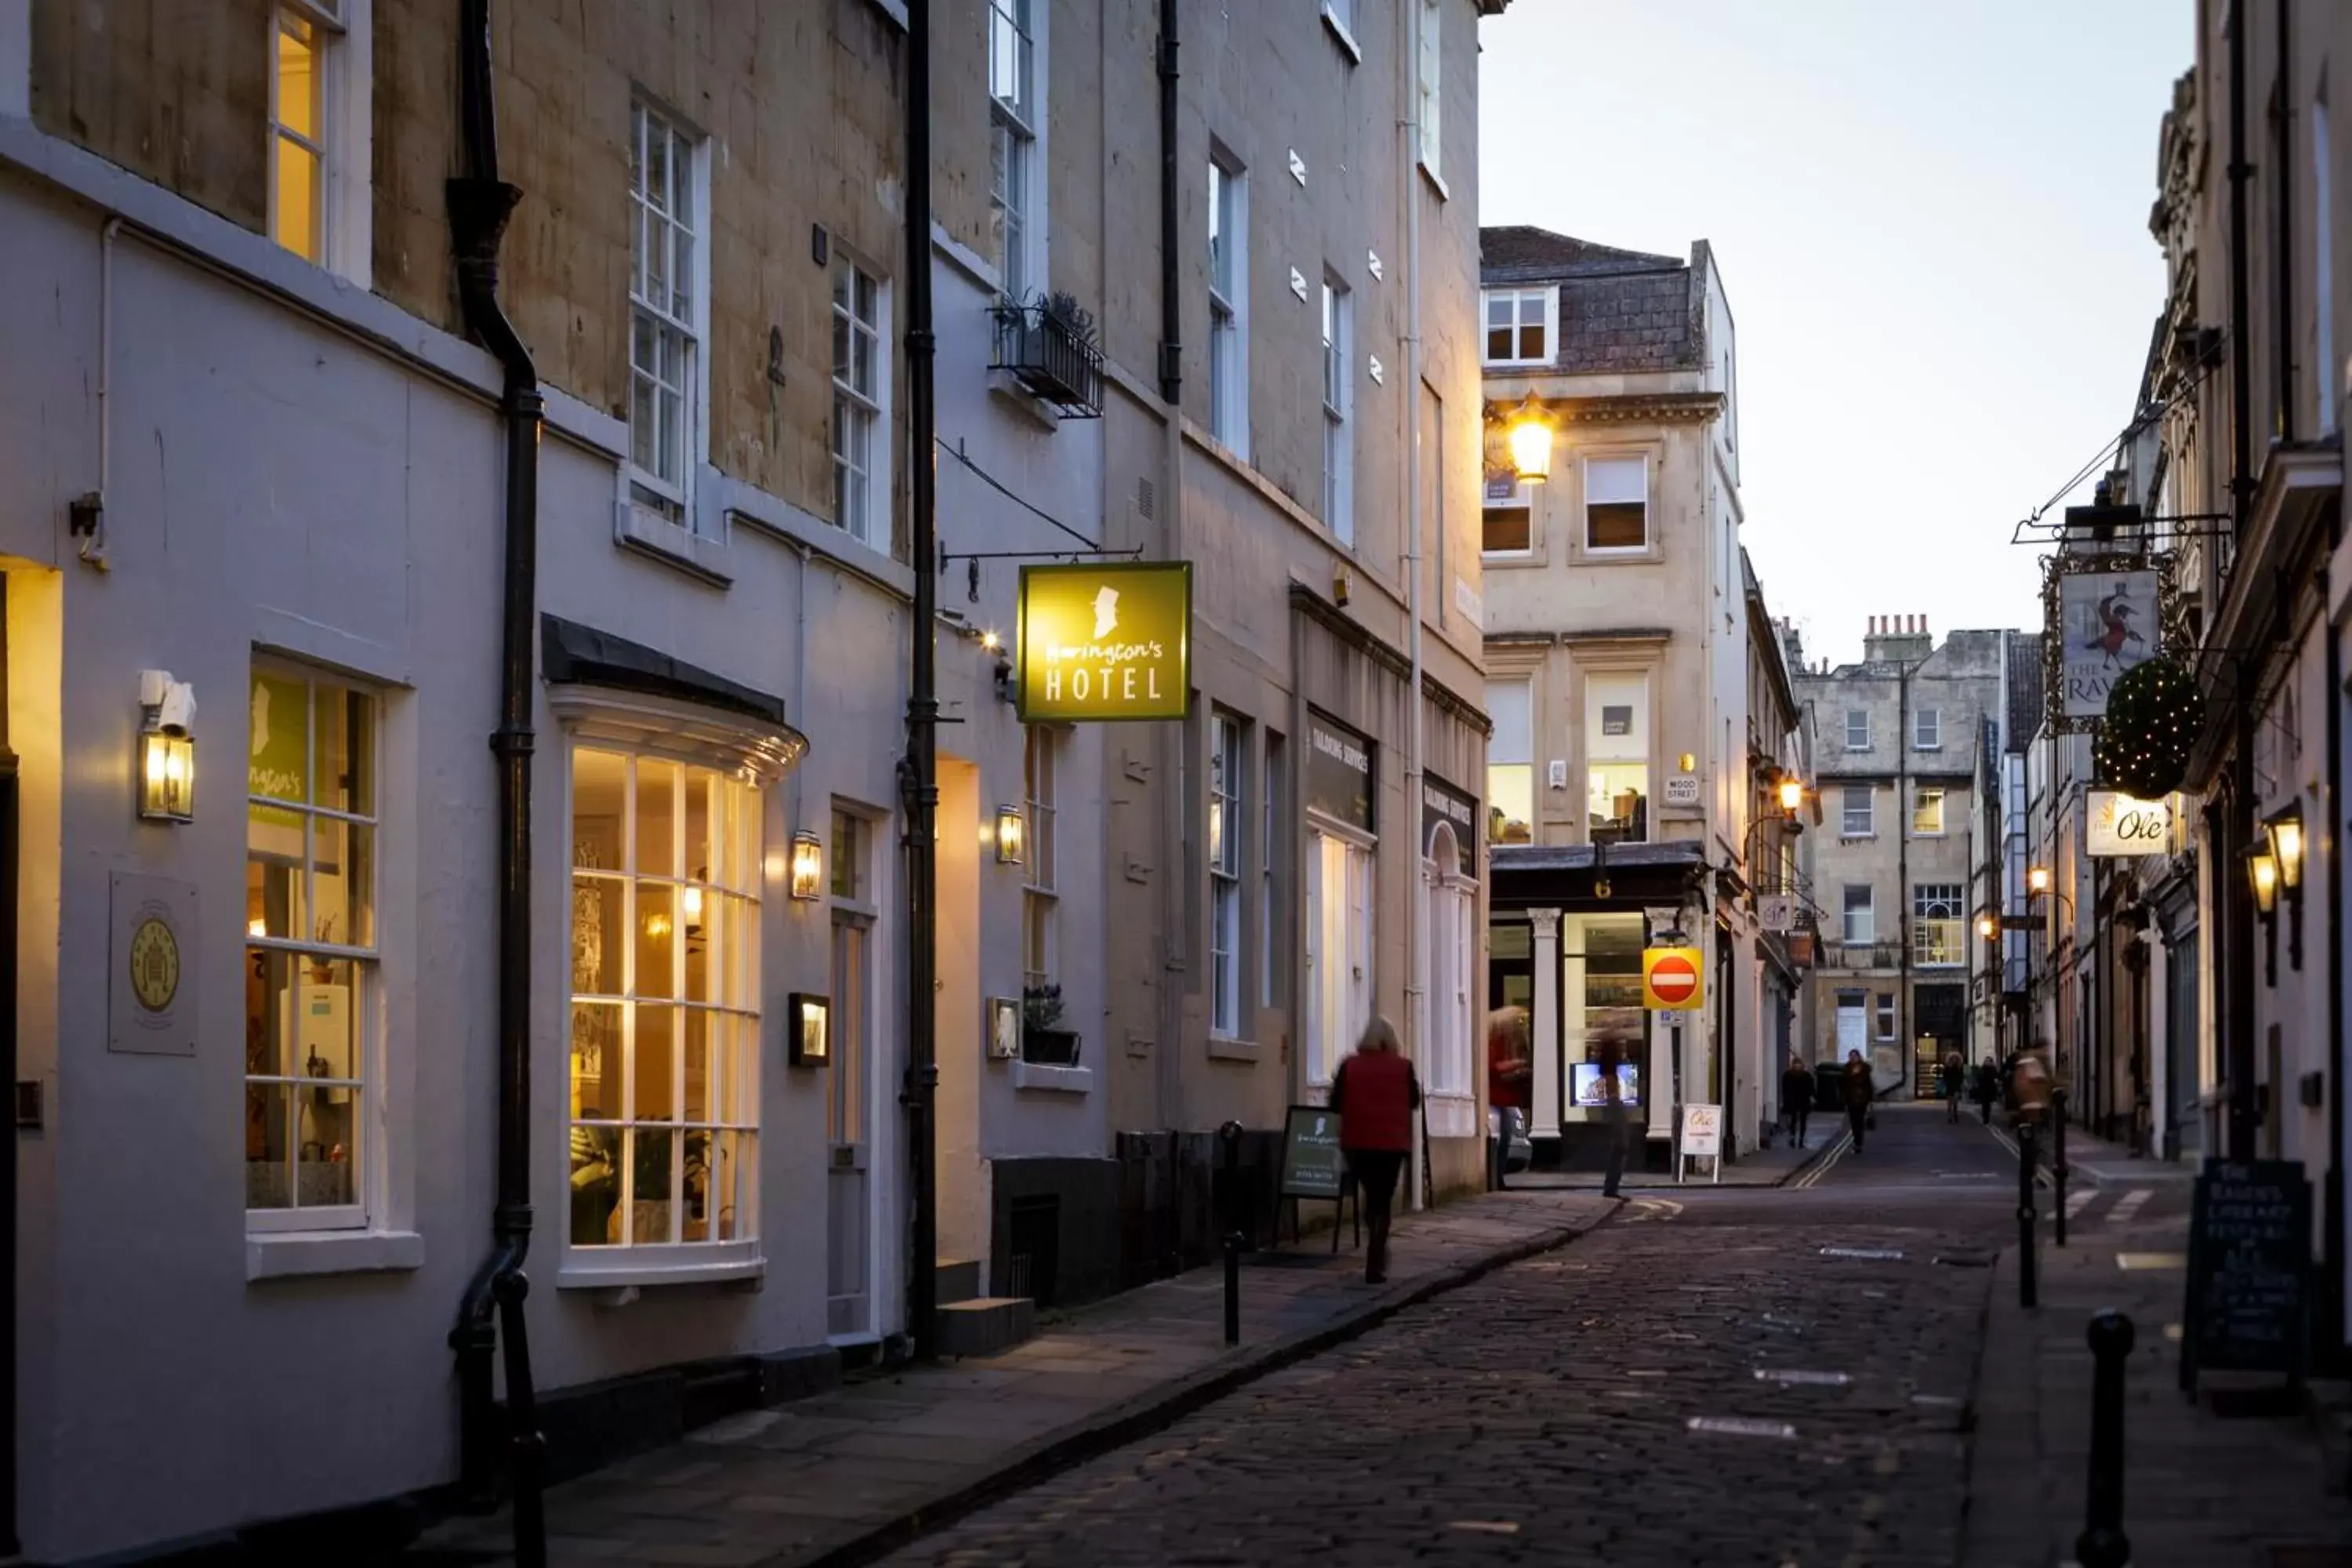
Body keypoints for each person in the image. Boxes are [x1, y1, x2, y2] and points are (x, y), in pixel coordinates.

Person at [1328, 1016, 1420, 1284]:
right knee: (1384, 1197)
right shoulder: (1403, 1067)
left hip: (1358, 1143)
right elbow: (1414, 1101)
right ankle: (1376, 1256)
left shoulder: (1349, 1066)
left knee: (1370, 1194)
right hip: (1392, 1144)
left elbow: (1335, 1104)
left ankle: (1373, 1241)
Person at [1596, 1031, 1633, 1197]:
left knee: (1619, 1146)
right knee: (1620, 1145)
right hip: (1613, 1103)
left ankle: (1611, 1188)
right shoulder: (1609, 1074)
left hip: (1613, 1102)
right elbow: (1608, 1088)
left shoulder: (1608, 1072)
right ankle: (1610, 1189)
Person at [1842, 1049, 1874, 1154]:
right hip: (1851, 1098)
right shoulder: (1846, 1069)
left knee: (1859, 1121)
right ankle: (1857, 1141)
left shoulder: (1865, 1069)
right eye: (1851, 1056)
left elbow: (1868, 1086)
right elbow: (1842, 1085)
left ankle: (1858, 1143)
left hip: (1862, 1099)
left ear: (1859, 1057)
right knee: (1854, 1122)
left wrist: (1870, 1100)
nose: (1853, 1058)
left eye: (1855, 1056)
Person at [1780, 1053, 1814, 1149]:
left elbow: (1811, 1088)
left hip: (1804, 1100)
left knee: (1803, 1120)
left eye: (1799, 1064)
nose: (1797, 1066)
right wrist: (1785, 1099)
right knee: (1793, 1120)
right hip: (1792, 1100)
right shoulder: (1788, 1075)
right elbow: (1784, 1088)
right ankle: (1792, 1137)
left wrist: (1811, 1097)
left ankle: (1801, 1139)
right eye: (1796, 1064)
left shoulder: (1807, 1075)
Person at [1973, 1056, 1999, 1125]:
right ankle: (1985, 1117)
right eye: (1986, 1061)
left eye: (1989, 1061)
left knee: (1987, 1104)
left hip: (1990, 1089)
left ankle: (1986, 1117)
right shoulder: (1982, 1069)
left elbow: (1997, 1077)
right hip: (1984, 1088)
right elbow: (1979, 1078)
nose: (1987, 1062)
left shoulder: (1993, 1069)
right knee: (1985, 1104)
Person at [1941, 1051, 1965, 1123]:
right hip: (1950, 1086)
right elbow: (1944, 1076)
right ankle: (1949, 1116)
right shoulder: (1948, 1068)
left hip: (1956, 1086)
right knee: (1949, 1103)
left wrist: (1961, 1084)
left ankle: (1955, 1114)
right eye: (1953, 1058)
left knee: (1955, 1101)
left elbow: (1961, 1077)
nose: (1954, 1060)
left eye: (1956, 1058)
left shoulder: (1959, 1068)